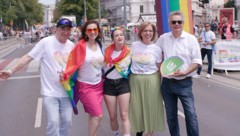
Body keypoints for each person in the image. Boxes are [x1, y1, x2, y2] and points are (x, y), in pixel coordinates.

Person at [0, 18, 75, 136]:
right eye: (63, 29)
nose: (66, 32)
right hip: (50, 92)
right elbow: (28, 57)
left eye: (68, 29)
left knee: (67, 122)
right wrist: (10, 71)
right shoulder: (46, 43)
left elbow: (76, 66)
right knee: (53, 123)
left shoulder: (71, 45)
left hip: (66, 92)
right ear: (56, 29)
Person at [155, 11, 202, 136]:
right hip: (167, 84)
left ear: (183, 23)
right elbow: (154, 53)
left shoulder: (191, 39)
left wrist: (185, 71)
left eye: (179, 22)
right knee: (171, 117)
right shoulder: (163, 38)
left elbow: (197, 61)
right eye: (173, 22)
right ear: (169, 23)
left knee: (191, 115)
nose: (176, 24)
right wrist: (161, 67)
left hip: (184, 83)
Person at [60, 20, 104, 136]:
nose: (93, 32)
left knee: (92, 115)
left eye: (95, 29)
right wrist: (65, 74)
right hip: (85, 86)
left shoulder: (99, 44)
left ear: (98, 31)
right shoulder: (80, 46)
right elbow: (72, 62)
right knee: (98, 115)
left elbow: (102, 63)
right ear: (85, 32)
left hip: (99, 85)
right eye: (90, 30)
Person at [129, 21, 165, 136]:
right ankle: (139, 132)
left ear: (153, 33)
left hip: (151, 81)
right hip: (135, 81)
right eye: (145, 30)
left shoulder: (156, 49)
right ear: (140, 32)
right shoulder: (134, 45)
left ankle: (149, 133)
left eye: (150, 31)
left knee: (151, 108)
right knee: (137, 109)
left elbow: (160, 68)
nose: (148, 33)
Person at [103, 27, 131, 136]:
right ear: (113, 39)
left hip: (123, 84)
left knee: (124, 114)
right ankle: (115, 133)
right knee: (113, 116)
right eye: (116, 35)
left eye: (121, 34)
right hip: (109, 85)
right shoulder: (106, 52)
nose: (119, 37)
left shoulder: (129, 52)